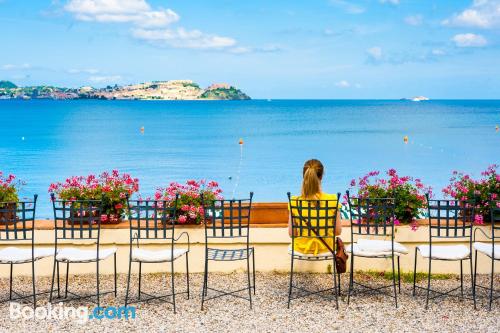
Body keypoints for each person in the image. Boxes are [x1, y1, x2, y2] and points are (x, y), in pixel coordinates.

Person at [288, 159, 342, 255]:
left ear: (304, 176)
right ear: (321, 176)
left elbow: (292, 234)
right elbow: (337, 231)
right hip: (327, 248)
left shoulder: (294, 202)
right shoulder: (333, 200)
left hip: (301, 249)